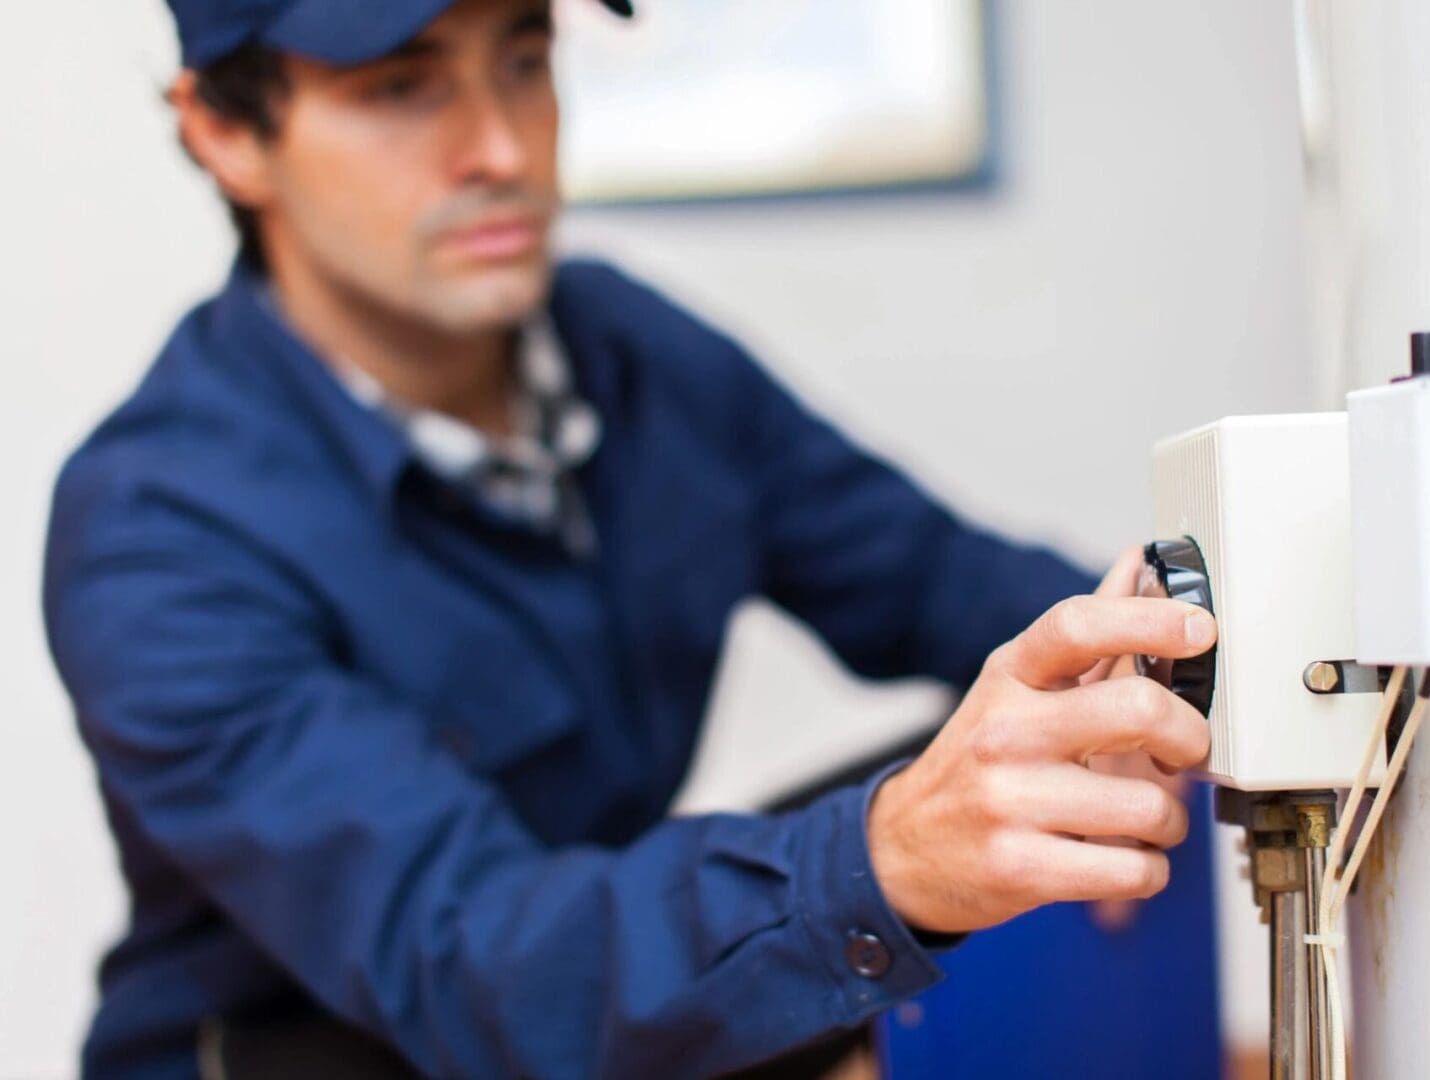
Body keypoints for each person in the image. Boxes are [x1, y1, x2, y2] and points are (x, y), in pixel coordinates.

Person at [42, 0, 1217, 1076]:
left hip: (588, 1001)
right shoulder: (155, 532)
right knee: (876, 858)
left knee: (1019, 746)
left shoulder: (634, 353)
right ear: (226, 133)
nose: (502, 151)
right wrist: (897, 858)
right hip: (329, 1045)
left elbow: (943, 580)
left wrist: (1165, 673)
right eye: (402, 87)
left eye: (524, 60)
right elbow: (478, 956)